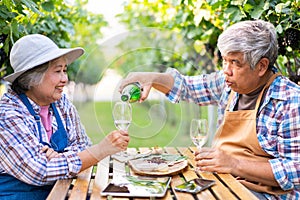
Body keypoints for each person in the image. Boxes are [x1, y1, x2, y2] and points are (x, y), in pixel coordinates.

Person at [119, 20, 299, 199]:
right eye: (224, 61)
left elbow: (295, 171)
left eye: (235, 62)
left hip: (262, 194)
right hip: (223, 181)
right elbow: (187, 87)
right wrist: (151, 77)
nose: (226, 71)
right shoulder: (227, 84)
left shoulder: (289, 101)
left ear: (261, 66)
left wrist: (233, 164)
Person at [0, 34, 130, 200]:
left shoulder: (60, 104)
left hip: (59, 192)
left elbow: (83, 145)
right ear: (33, 77)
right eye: (57, 71)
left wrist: (59, 158)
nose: (65, 79)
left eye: (65, 70)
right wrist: (100, 150)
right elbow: (39, 171)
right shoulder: (7, 114)